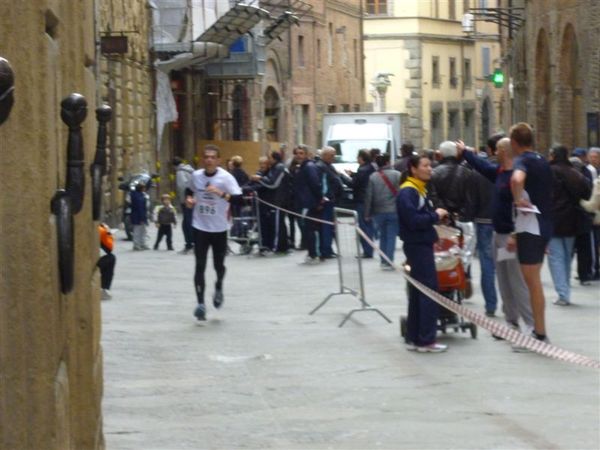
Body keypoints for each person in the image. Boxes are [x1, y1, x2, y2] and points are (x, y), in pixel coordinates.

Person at [457, 138, 535, 338]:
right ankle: (511, 322)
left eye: (498, 150)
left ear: (505, 151)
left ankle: (530, 325)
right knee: (504, 280)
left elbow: (524, 210)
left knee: (517, 282)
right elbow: (482, 166)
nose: (494, 153)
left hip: (511, 237)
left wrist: (515, 234)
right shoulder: (500, 173)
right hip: (499, 235)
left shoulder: (515, 177)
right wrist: (466, 152)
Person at [396, 155, 449, 353]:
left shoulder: (418, 189)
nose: (430, 169)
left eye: (430, 165)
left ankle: (415, 336)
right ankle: (426, 340)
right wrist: (436, 215)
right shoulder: (408, 191)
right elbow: (413, 220)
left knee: (419, 291)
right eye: (425, 166)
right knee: (428, 291)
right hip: (418, 245)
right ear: (413, 169)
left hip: (419, 244)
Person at [186, 144, 242, 321]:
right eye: (206, 157)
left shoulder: (226, 178)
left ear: (218, 160)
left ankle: (218, 286)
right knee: (199, 265)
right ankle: (200, 303)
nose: (209, 160)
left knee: (219, 265)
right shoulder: (196, 176)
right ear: (203, 159)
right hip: (199, 226)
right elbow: (189, 190)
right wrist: (189, 199)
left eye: (212, 157)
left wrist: (220, 193)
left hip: (219, 228)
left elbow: (239, 200)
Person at [509, 122, 554, 345]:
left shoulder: (522, 160)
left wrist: (518, 200)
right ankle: (539, 329)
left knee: (532, 281)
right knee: (534, 279)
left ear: (515, 143)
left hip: (530, 226)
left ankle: (539, 331)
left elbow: (516, 179)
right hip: (545, 224)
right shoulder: (542, 160)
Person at [547, 145, 591, 305]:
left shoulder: (549, 172)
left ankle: (563, 293)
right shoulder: (575, 173)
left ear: (553, 155)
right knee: (566, 257)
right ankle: (565, 291)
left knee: (556, 258)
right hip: (573, 220)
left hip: (554, 220)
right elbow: (587, 193)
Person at [467, 135, 502, 317]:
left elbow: (472, 199)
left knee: (487, 265)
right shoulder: (513, 169)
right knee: (506, 265)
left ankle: (491, 305)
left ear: (489, 150)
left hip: (483, 222)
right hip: (504, 224)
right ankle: (509, 304)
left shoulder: (478, 172)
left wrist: (471, 216)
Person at [364, 153, 401, 270]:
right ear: (387, 162)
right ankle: (389, 261)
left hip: (378, 211)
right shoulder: (397, 175)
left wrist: (367, 213)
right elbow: (401, 193)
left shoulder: (373, 177)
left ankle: (383, 260)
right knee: (391, 236)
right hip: (393, 210)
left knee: (382, 236)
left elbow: (369, 195)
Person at [252, 151, 291, 254]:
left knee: (278, 225)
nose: (268, 160)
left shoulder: (279, 167)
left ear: (274, 158)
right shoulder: (275, 168)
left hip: (279, 200)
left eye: (269, 158)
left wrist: (259, 178)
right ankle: (280, 246)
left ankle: (278, 247)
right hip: (277, 200)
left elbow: (273, 183)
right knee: (278, 224)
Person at [340, 149, 375, 258]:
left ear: (361, 158)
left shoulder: (362, 170)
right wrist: (353, 174)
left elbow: (353, 184)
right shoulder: (371, 168)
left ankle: (367, 250)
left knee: (363, 226)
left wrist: (342, 176)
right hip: (369, 200)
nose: (356, 159)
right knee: (368, 225)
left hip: (361, 200)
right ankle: (369, 249)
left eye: (358, 157)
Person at [428, 141, 474, 222]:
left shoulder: (433, 173)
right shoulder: (467, 173)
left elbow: (433, 197)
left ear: (440, 155)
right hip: (462, 218)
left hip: (442, 218)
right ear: (456, 154)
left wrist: (445, 213)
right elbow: (470, 198)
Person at [293, 145, 324, 264]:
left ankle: (314, 253)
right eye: (297, 153)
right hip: (303, 202)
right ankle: (312, 252)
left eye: (301, 153)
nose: (299, 155)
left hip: (308, 203)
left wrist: (319, 199)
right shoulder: (302, 167)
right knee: (307, 228)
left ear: (306, 154)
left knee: (310, 229)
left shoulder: (309, 167)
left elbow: (315, 184)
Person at [315, 147, 344, 259]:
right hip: (327, 201)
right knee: (326, 226)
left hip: (331, 200)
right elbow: (322, 184)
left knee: (330, 226)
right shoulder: (321, 167)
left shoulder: (327, 166)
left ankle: (328, 249)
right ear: (325, 155)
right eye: (332, 155)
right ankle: (326, 250)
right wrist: (324, 198)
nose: (334, 157)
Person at [173, 157, 195, 254]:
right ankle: (192, 243)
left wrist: (183, 200)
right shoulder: (190, 169)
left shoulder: (180, 172)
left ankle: (189, 244)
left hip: (186, 200)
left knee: (187, 222)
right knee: (190, 221)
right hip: (193, 198)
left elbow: (182, 186)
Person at [97, 223, 116, 300]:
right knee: (111, 258)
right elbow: (109, 247)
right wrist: (109, 234)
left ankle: (103, 289)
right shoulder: (101, 229)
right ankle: (104, 289)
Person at [130, 182, 149, 251]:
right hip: (139, 216)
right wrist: (142, 218)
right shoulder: (139, 197)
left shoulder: (139, 195)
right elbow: (140, 207)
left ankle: (142, 243)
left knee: (142, 230)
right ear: (141, 189)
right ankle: (137, 245)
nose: (145, 189)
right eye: (144, 188)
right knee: (138, 231)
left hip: (139, 215)